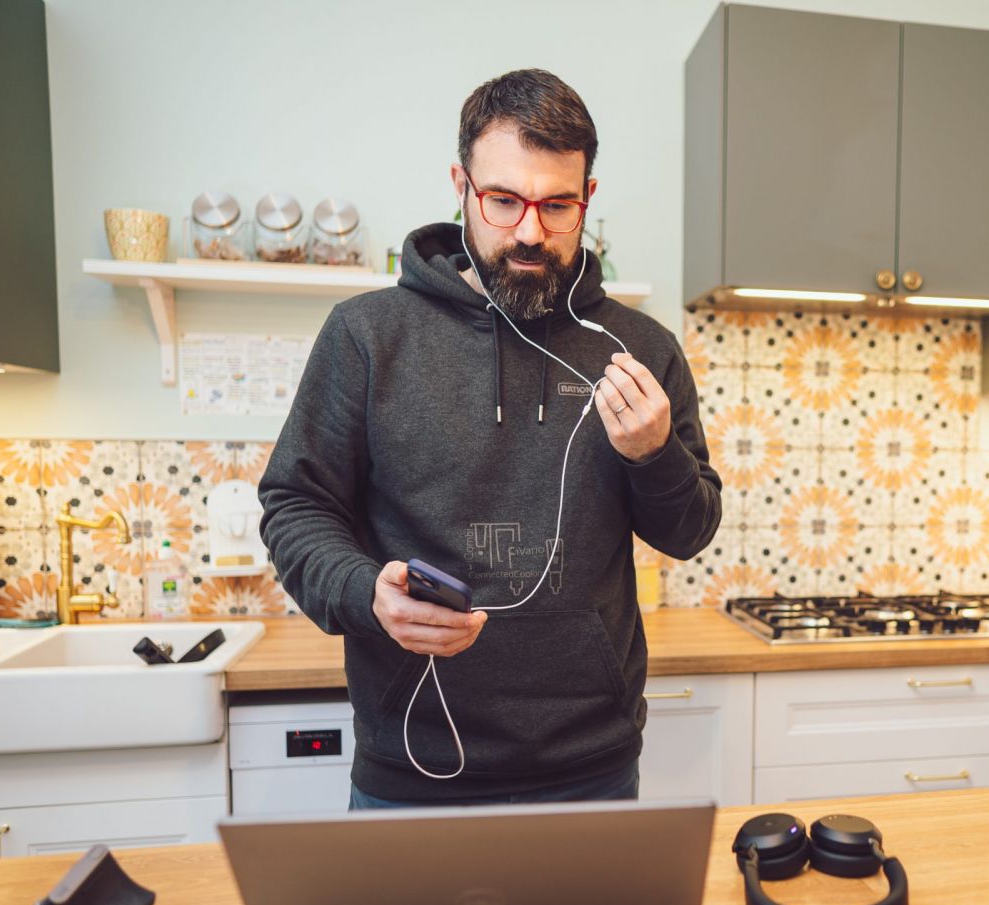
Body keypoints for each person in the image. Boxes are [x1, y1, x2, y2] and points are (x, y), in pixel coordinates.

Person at [259, 69, 722, 809]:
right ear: (461, 185)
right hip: (410, 766)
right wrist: (363, 592)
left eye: (557, 204)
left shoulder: (640, 348)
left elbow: (690, 530)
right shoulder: (367, 335)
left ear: (587, 199)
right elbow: (294, 506)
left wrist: (654, 454)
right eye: (504, 200)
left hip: (591, 768)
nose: (530, 230)